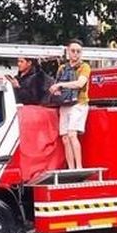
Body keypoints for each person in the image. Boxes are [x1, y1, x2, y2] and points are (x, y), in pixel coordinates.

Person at [49, 39, 91, 169]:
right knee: (65, 138)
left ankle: (79, 167)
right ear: (68, 51)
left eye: (78, 51)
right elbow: (56, 86)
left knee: (72, 134)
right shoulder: (62, 68)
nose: (76, 54)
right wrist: (55, 91)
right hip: (65, 104)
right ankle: (71, 168)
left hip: (79, 103)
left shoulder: (85, 67)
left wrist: (60, 85)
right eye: (73, 51)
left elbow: (80, 83)